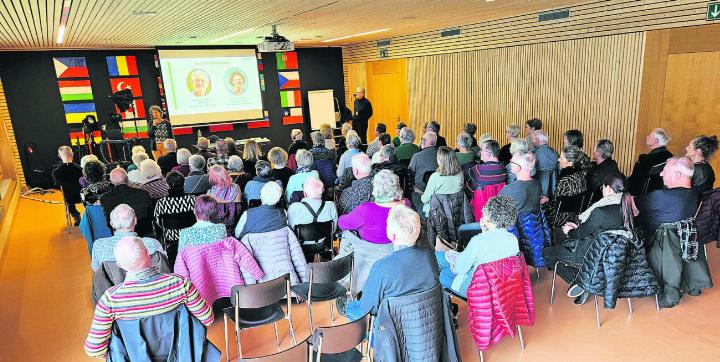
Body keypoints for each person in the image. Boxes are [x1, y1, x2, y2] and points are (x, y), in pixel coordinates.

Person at [84, 236, 213, 359]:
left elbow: (94, 349)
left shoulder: (110, 299)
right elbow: (207, 319)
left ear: (119, 265)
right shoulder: (180, 284)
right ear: (147, 254)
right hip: (182, 355)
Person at [542, 172, 634, 304]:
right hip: (617, 255)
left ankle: (580, 282)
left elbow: (580, 235)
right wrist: (577, 227)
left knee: (547, 253)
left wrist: (570, 231)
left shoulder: (600, 210)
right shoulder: (627, 207)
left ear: (608, 188)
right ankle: (586, 279)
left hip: (593, 254)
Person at [343, 205, 439, 320]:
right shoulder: (430, 256)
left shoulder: (381, 267)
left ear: (392, 236)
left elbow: (368, 308)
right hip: (424, 318)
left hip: (392, 326)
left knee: (350, 308)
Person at [436, 195, 519, 297]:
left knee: (437, 267)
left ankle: (446, 307)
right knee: (440, 257)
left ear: (488, 219)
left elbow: (461, 268)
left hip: (477, 291)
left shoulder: (478, 242)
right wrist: (485, 232)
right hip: (501, 287)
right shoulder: (513, 239)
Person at [338, 170, 410, 244]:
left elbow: (342, 223)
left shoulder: (366, 209)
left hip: (370, 250)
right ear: (397, 185)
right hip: (397, 247)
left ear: (375, 187)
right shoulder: (406, 203)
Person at [636, 157, 699, 236]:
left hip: (646, 242)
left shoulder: (660, 196)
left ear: (677, 175)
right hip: (674, 243)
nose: (661, 174)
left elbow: (630, 206)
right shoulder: (694, 195)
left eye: (665, 171)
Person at [91, 204, 165, 271]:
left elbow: (97, 271)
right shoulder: (152, 243)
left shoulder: (99, 245)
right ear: (135, 221)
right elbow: (163, 267)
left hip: (113, 285)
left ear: (111, 224)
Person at [546, 145, 590, 228]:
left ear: (569, 162)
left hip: (561, 219)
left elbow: (557, 206)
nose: (558, 160)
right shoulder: (582, 175)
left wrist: (545, 202)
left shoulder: (565, 180)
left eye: (561, 158)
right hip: (576, 216)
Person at [100, 168, 152, 234]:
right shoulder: (143, 193)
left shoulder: (104, 198)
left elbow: (108, 223)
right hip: (145, 232)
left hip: (121, 236)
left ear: (111, 181)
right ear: (127, 178)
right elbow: (151, 216)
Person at [287, 176, 338, 243]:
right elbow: (333, 229)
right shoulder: (331, 206)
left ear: (304, 193)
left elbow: (290, 230)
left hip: (300, 247)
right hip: (324, 244)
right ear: (322, 191)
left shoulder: (294, 208)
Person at [154, 171, 196, 246]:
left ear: (167, 185)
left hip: (171, 240)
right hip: (192, 236)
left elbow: (158, 222)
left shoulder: (161, 203)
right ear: (184, 183)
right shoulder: (193, 199)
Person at [628, 128, 674, 196]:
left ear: (655, 141)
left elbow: (635, 183)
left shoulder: (646, 160)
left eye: (649, 136)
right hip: (663, 196)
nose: (647, 137)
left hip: (644, 198)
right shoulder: (671, 157)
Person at [421, 146, 464, 216]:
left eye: (437, 158)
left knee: (415, 198)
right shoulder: (460, 174)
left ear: (441, 161)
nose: (436, 159)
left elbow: (424, 200)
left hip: (437, 214)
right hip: (455, 212)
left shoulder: (435, 176)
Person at [409, 131, 440, 210]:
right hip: (440, 193)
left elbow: (410, 174)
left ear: (424, 141)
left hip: (420, 194)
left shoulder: (416, 156)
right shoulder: (442, 155)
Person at [52, 146, 83, 225]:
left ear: (59, 156)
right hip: (82, 197)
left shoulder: (56, 172)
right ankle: (88, 217)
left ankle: (76, 215)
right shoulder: (80, 169)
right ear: (72, 154)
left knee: (67, 199)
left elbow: (57, 186)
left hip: (69, 198)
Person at [531, 130, 559, 197]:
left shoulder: (535, 154)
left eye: (532, 139)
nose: (532, 142)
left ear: (536, 139)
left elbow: (532, 172)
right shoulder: (554, 152)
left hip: (539, 189)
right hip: (554, 187)